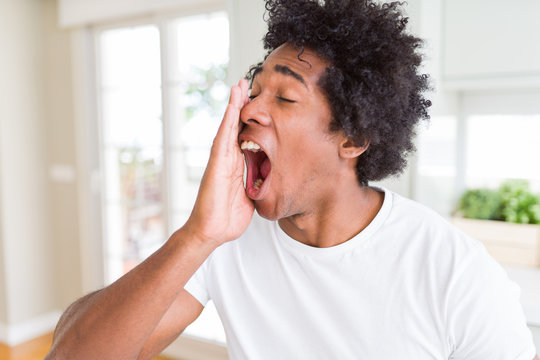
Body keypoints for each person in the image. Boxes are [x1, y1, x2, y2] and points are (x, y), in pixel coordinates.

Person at [46, 0, 538, 359]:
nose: (248, 109)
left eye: (284, 98)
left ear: (353, 137)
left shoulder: (457, 273)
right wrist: (197, 235)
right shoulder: (223, 241)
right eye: (254, 89)